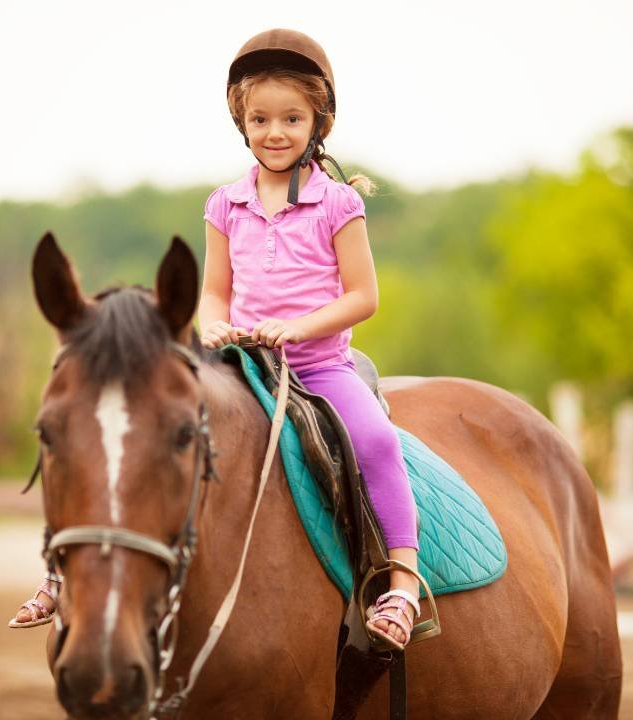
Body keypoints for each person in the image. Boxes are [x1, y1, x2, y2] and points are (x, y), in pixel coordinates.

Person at [198, 28, 421, 651]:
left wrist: (298, 327)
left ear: (317, 121)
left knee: (375, 439)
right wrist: (210, 323)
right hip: (242, 364)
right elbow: (214, 290)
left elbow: (363, 297)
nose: (275, 132)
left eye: (291, 118)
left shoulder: (336, 203)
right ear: (242, 122)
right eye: (261, 118)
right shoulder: (224, 205)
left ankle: (403, 579)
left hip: (318, 368)